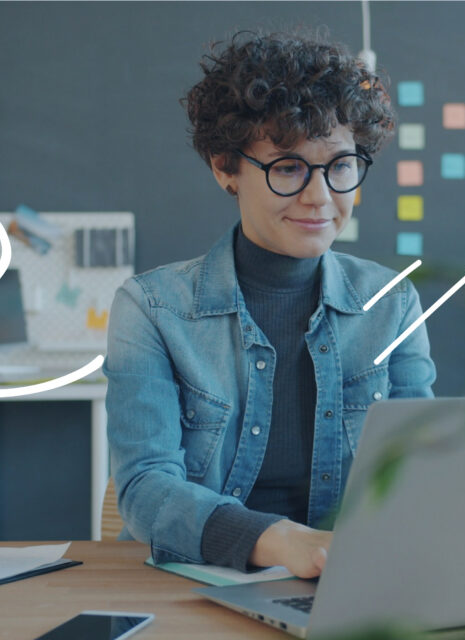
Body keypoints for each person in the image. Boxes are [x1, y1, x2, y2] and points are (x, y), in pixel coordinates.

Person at [103, 29, 436, 578]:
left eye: (341, 166)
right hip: (194, 579)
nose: (320, 196)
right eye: (287, 168)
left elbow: (418, 469)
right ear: (224, 168)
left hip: (348, 579)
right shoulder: (152, 308)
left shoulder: (392, 304)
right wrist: (283, 543)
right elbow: (145, 488)